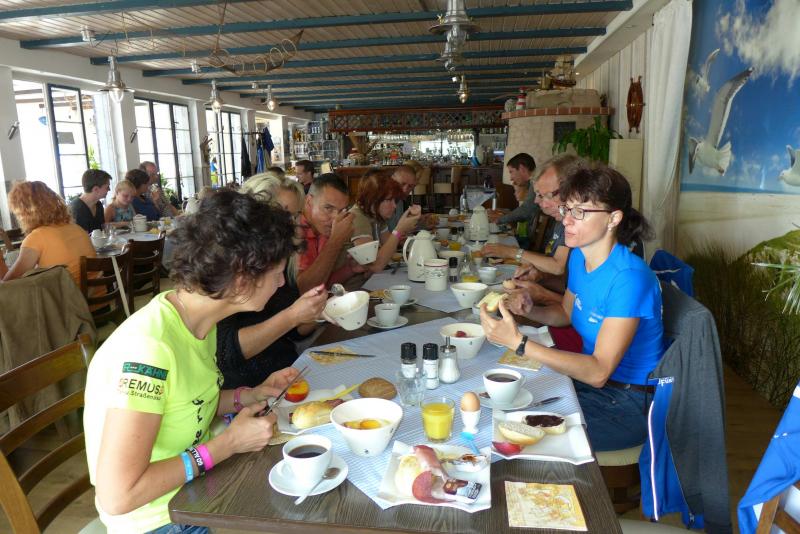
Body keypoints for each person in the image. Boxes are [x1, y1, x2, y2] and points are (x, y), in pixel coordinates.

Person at [83, 191, 301, 533]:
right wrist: (228, 444)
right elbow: (118, 495)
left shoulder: (197, 320)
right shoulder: (149, 351)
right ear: (242, 280)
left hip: (194, 498)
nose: (282, 281)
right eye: (277, 271)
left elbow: (186, 406)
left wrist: (248, 395)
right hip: (161, 521)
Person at [480, 164, 663, 452]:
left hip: (627, 404)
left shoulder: (629, 279)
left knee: (510, 434)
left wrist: (519, 343)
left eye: (580, 212)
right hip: (589, 384)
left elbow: (599, 371)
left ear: (613, 218)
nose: (566, 219)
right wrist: (529, 310)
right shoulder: (579, 257)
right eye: (567, 209)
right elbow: (566, 314)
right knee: (497, 403)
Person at [219, 173, 328, 388]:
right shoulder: (229, 266)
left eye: (295, 216)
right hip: (245, 387)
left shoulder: (283, 260)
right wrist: (292, 316)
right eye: (282, 215)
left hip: (287, 373)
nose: (292, 226)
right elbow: (225, 353)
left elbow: (295, 333)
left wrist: (320, 311)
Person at [485, 155, 585, 305]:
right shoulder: (563, 221)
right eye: (538, 195)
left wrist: (512, 252)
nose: (537, 201)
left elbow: (558, 267)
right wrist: (541, 277)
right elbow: (569, 284)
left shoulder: (576, 226)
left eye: (545, 195)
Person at [1, 181, 95, 285]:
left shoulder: (37, 237)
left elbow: (8, 283)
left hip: (69, 295)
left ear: (24, 212)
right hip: (97, 293)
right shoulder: (77, 228)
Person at [296, 173, 365, 292]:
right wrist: (336, 241)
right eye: (328, 208)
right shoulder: (296, 231)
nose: (335, 219)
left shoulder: (320, 227)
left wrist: (350, 269)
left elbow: (322, 282)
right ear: (309, 201)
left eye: (341, 211)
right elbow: (304, 290)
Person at [349, 170, 422, 273]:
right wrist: (399, 229)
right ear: (372, 198)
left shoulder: (376, 214)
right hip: (357, 282)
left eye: (394, 200)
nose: (394, 206)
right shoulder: (357, 217)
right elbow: (375, 266)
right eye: (389, 200)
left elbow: (389, 247)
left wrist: (406, 224)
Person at [489, 153, 540, 239]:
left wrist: (499, 220)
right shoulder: (533, 182)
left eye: (511, 172)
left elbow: (525, 211)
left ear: (521, 168)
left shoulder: (537, 182)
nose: (511, 178)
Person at [70, 169, 111, 233]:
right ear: (96, 189)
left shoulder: (98, 204)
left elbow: (102, 230)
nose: (109, 189)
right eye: (107, 187)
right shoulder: (77, 209)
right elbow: (82, 237)